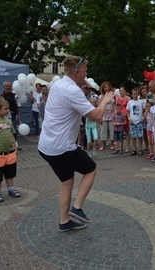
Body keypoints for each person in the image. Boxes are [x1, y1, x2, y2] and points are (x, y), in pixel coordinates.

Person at [38, 56, 114, 232]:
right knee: (91, 169)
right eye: (85, 72)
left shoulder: (57, 85)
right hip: (62, 147)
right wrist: (104, 102)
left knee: (67, 181)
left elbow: (65, 105)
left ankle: (64, 221)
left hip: (46, 146)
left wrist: (81, 89)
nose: (87, 75)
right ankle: (77, 208)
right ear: (78, 72)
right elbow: (97, 116)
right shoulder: (73, 91)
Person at [0, 99, 21, 202]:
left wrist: (15, 148)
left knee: (10, 172)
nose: (8, 110)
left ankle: (11, 188)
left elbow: (12, 135)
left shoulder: (8, 121)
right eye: (5, 109)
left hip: (10, 153)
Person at [126, 88, 145, 156]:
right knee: (133, 136)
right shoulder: (130, 102)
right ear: (132, 94)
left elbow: (144, 110)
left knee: (139, 136)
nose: (135, 95)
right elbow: (127, 111)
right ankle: (134, 149)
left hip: (139, 121)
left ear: (138, 94)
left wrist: (143, 117)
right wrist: (129, 118)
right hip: (132, 121)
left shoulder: (141, 102)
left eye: (136, 94)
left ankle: (140, 149)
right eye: (134, 94)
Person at [98, 82, 116, 151]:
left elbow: (115, 105)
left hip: (111, 115)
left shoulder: (113, 95)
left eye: (107, 87)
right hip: (104, 115)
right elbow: (99, 107)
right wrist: (99, 117)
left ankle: (112, 143)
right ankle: (102, 144)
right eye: (105, 87)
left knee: (112, 130)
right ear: (103, 88)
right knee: (103, 130)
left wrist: (115, 115)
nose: (106, 88)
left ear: (109, 87)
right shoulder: (101, 96)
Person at [116, 86, 131, 152]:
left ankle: (127, 147)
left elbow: (130, 109)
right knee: (119, 132)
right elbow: (116, 107)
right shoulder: (117, 98)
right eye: (120, 91)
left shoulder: (128, 98)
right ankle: (120, 147)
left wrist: (129, 118)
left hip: (126, 116)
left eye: (123, 90)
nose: (121, 92)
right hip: (119, 117)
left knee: (127, 132)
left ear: (125, 91)